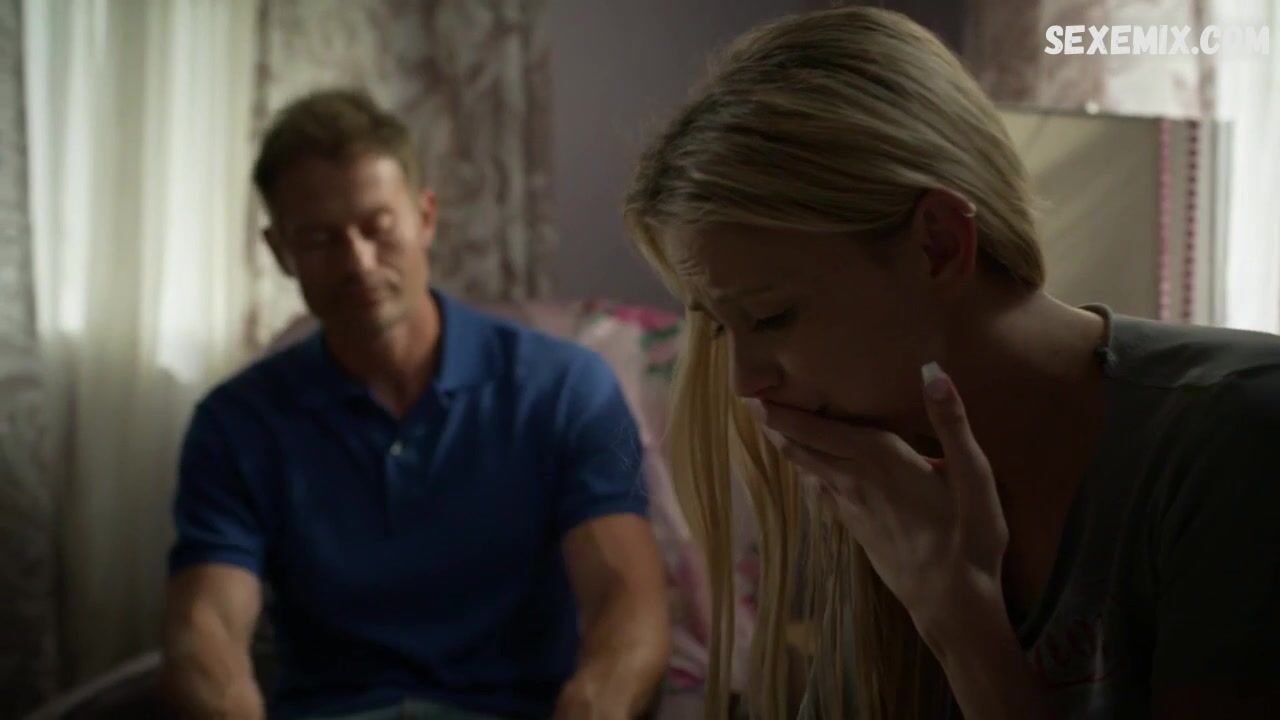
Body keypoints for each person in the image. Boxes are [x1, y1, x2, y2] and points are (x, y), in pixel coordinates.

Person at [622, 7, 1280, 720]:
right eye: (721, 329)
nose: (746, 382)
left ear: (938, 244)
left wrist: (961, 625)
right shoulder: (894, 472)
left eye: (773, 316)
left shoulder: (1239, 435)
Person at [162, 89, 670, 720]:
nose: (358, 262)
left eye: (378, 227)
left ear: (426, 217)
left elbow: (628, 599)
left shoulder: (563, 387)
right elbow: (205, 623)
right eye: (319, 239)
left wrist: (595, 705)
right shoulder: (236, 422)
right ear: (279, 252)